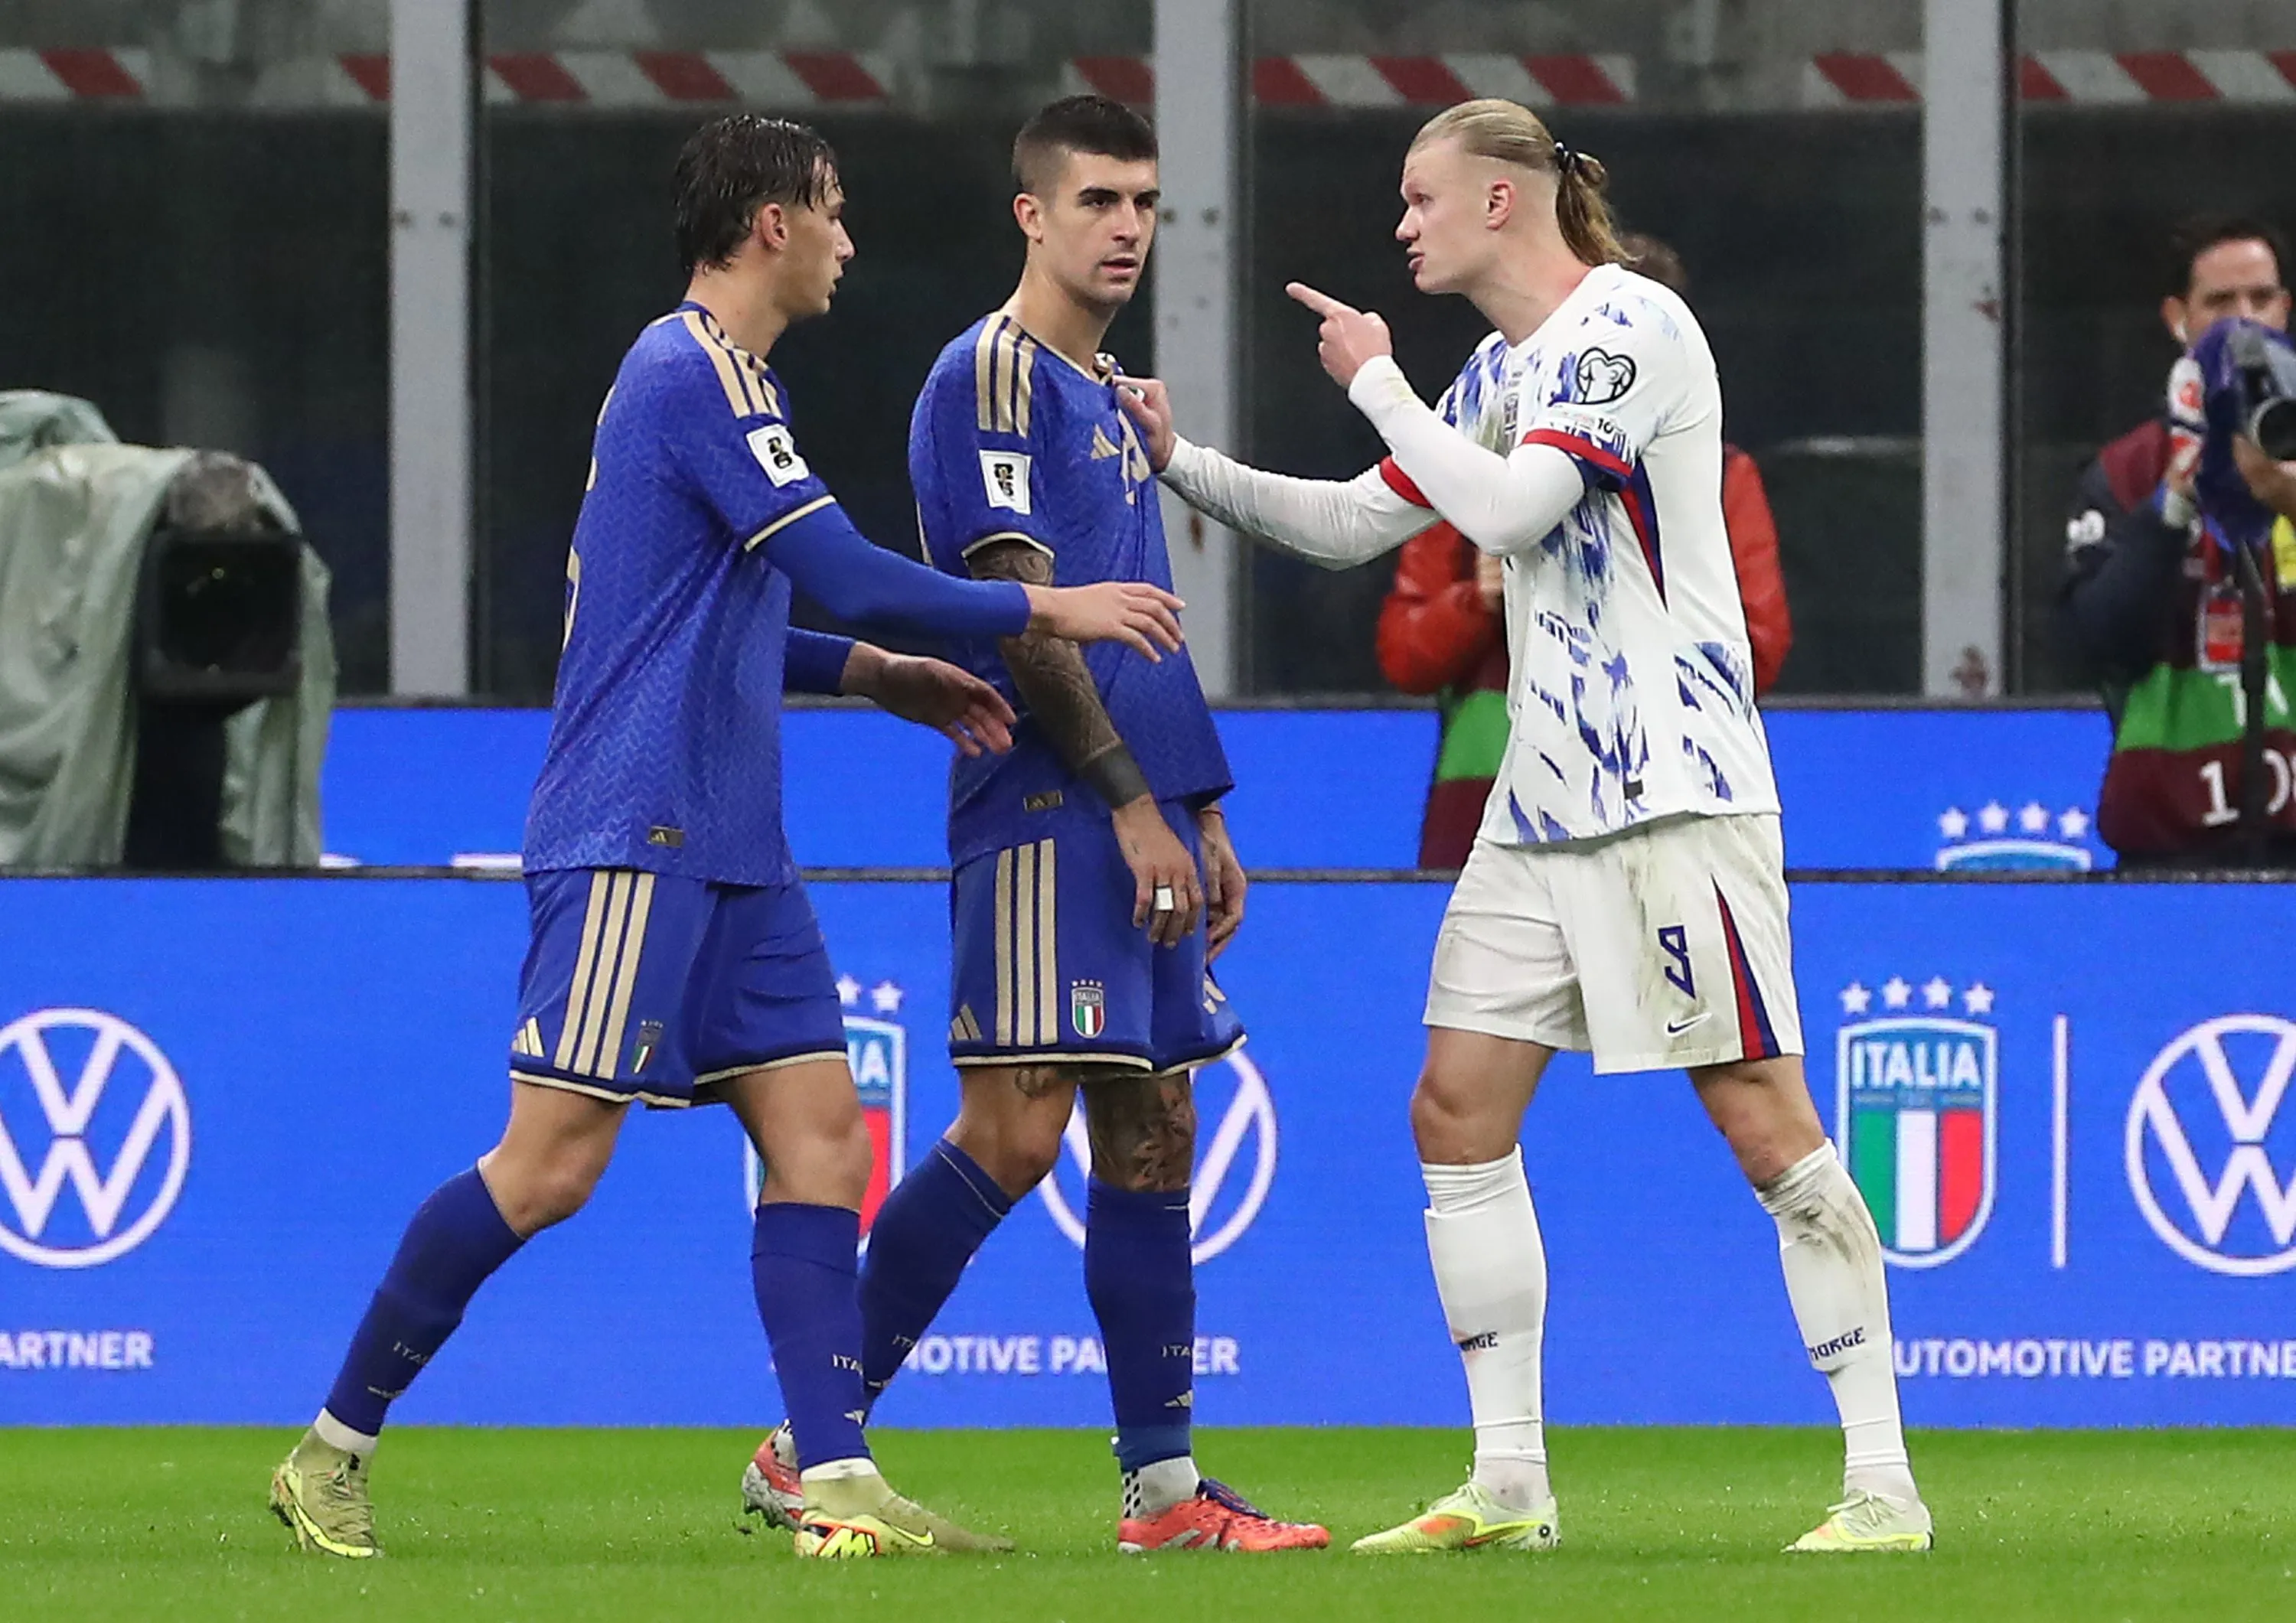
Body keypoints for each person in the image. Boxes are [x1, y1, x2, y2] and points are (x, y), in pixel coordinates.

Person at [267, 113, 1189, 1563]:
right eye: (832, 213)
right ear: (771, 224)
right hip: (635, 824)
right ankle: (330, 1451)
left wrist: (873, 675)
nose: (847, 243)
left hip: (736, 841)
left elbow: (720, 609)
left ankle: (834, 1478)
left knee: (820, 1141)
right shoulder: (685, 368)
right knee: (550, 1165)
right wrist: (1037, 605)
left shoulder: (736, 383)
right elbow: (835, 567)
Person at [1122, 99, 1929, 1554]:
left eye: (1420, 197)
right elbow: (1360, 524)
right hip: (1540, 805)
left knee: (1764, 1121)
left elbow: (1506, 512)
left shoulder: (1631, 327)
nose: (1403, 224)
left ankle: (1884, 1484)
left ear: (1501, 200)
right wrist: (1182, 460)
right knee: (1454, 1108)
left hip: (1672, 795)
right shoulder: (1502, 368)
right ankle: (1508, 1483)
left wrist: (1378, 381)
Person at [737, 95, 1327, 1556]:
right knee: (1014, 1127)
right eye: (1099, 201)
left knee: (1157, 1125)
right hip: (1046, 801)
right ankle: (808, 1445)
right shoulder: (988, 375)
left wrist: (1197, 806)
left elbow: (1142, 617)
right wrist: (1130, 803)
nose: (1127, 227)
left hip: (1138, 806)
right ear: (1033, 215)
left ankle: (1166, 1497)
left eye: (1145, 202)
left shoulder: (1108, 394)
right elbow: (1021, 611)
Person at [1378, 231, 1791, 869]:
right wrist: (1477, 600)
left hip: (1667, 794)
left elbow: (1756, 647)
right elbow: (1404, 655)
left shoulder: (1719, 475)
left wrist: (1633, 596)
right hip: (1489, 797)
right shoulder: (1471, 460)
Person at [2060, 214, 2296, 867]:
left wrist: (2284, 496)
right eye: (2219, 302)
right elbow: (2098, 644)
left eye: (2261, 298)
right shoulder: (2128, 469)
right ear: (2178, 319)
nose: (2244, 321)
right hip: (2172, 858)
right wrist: (2175, 499)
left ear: (2286, 309)